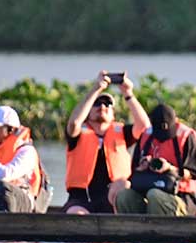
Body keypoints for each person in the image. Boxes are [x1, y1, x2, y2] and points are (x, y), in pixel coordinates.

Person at [63, 71, 150, 214]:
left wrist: (128, 93)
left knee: (124, 186)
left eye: (107, 104)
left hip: (112, 197)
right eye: (97, 104)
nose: (102, 107)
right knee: (76, 215)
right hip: (82, 198)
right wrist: (96, 89)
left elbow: (144, 127)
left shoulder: (121, 132)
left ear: (113, 113)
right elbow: (74, 123)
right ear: (88, 112)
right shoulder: (78, 133)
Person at [115, 103, 196, 216]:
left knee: (154, 195)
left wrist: (170, 169)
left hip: (180, 197)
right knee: (123, 196)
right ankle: (135, 231)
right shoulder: (146, 136)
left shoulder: (186, 136)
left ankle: (157, 232)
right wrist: (143, 167)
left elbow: (193, 173)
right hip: (147, 193)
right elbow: (134, 172)